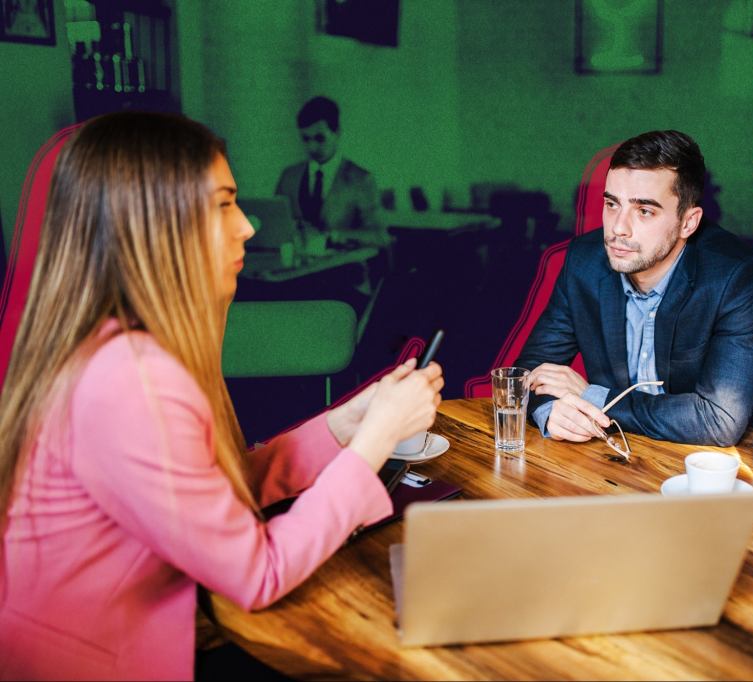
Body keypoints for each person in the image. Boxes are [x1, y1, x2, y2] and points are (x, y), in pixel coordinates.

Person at [0, 111, 443, 680]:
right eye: (223, 205)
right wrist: (377, 439)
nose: (248, 227)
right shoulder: (130, 382)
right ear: (153, 227)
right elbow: (257, 574)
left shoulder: (124, 348)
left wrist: (344, 425)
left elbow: (208, 493)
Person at [515, 130, 753, 446]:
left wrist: (592, 396)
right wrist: (550, 412)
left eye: (644, 211)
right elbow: (528, 374)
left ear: (688, 222)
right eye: (612, 204)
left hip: (698, 462)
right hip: (607, 451)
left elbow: (718, 419)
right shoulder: (585, 262)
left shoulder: (738, 278)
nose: (618, 228)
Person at [275, 95, 389, 250]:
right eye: (306, 139)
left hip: (343, 264)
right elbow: (276, 224)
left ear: (337, 133)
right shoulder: (289, 176)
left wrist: (334, 236)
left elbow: (379, 236)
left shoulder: (361, 180)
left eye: (320, 138)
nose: (312, 147)